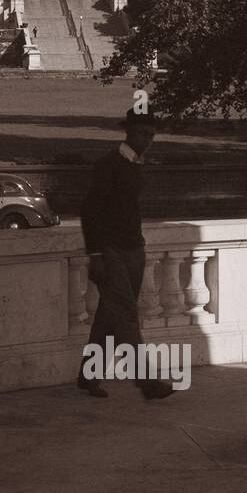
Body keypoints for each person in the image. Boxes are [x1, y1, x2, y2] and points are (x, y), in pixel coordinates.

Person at [77, 108, 173, 400]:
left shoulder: (137, 165)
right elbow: (89, 211)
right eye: (144, 134)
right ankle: (145, 381)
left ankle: (87, 376)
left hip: (134, 248)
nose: (148, 140)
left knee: (110, 315)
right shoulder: (108, 165)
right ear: (128, 132)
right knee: (127, 315)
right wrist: (96, 254)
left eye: (152, 136)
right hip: (111, 250)